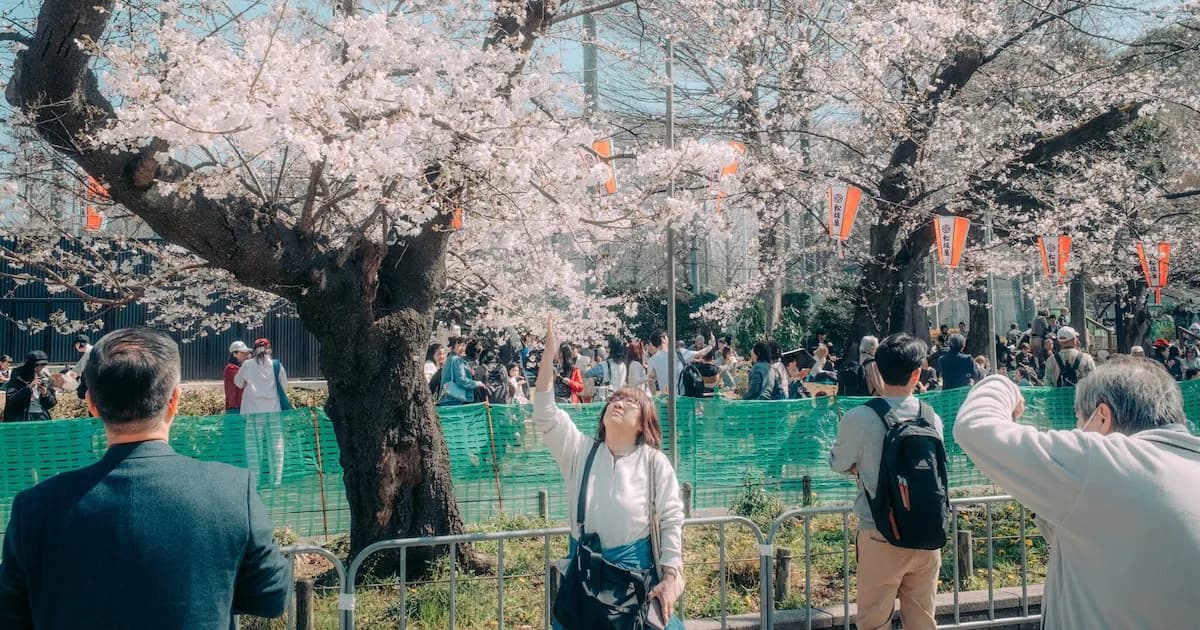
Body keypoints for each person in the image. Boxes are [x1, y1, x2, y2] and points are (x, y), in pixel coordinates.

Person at [0, 327, 291, 628]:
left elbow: (12, 615)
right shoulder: (231, 490)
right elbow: (270, 597)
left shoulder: (35, 507)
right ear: (174, 400)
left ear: (92, 405)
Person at [953, 358, 1200, 629]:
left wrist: (1002, 384)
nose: (1077, 430)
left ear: (1102, 417)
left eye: (1079, 421)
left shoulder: (1102, 462)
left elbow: (975, 426)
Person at [532, 319, 686, 630]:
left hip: (635, 587)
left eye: (630, 402)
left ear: (643, 423)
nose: (619, 403)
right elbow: (545, 413)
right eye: (615, 399)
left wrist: (670, 577)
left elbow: (671, 518)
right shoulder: (580, 451)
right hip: (584, 586)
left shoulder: (654, 463)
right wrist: (549, 354)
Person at [829, 334, 945, 630]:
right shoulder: (932, 418)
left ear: (877, 370)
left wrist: (857, 466)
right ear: (917, 373)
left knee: (873, 622)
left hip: (879, 532)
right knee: (922, 622)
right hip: (927, 535)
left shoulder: (859, 417)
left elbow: (838, 462)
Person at [235, 338, 289, 488]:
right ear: (269, 349)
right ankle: (276, 480)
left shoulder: (247, 365)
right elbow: (284, 385)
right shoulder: (276, 365)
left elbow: (238, 382)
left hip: (253, 411)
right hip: (273, 410)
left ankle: (256, 480)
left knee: (253, 447)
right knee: (276, 446)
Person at [646, 331, 710, 396]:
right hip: (683, 397)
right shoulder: (679, 353)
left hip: (666, 399)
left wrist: (654, 398)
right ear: (663, 339)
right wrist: (711, 345)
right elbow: (701, 353)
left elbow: (651, 381)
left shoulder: (652, 360)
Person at [3, 352, 57, 422]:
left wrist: (45, 393)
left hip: (41, 417)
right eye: (36, 365)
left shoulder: (46, 377)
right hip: (21, 417)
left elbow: (52, 404)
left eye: (43, 364)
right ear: (29, 364)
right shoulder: (18, 376)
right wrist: (29, 388)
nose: (39, 367)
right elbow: (11, 400)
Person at [438, 336, 485, 406]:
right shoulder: (457, 360)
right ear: (454, 346)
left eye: (464, 345)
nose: (463, 348)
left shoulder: (450, 358)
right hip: (453, 399)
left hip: (446, 398)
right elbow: (461, 380)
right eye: (461, 345)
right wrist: (477, 383)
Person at [223, 341, 251, 413]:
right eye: (243, 353)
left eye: (247, 353)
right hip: (234, 407)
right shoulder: (230, 368)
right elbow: (244, 380)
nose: (246, 355)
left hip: (243, 406)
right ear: (234, 354)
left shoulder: (241, 367)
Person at [69, 334, 93, 399]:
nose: (75, 347)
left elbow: (80, 369)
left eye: (76, 344)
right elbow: (78, 368)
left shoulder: (90, 353)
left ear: (81, 343)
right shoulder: (88, 352)